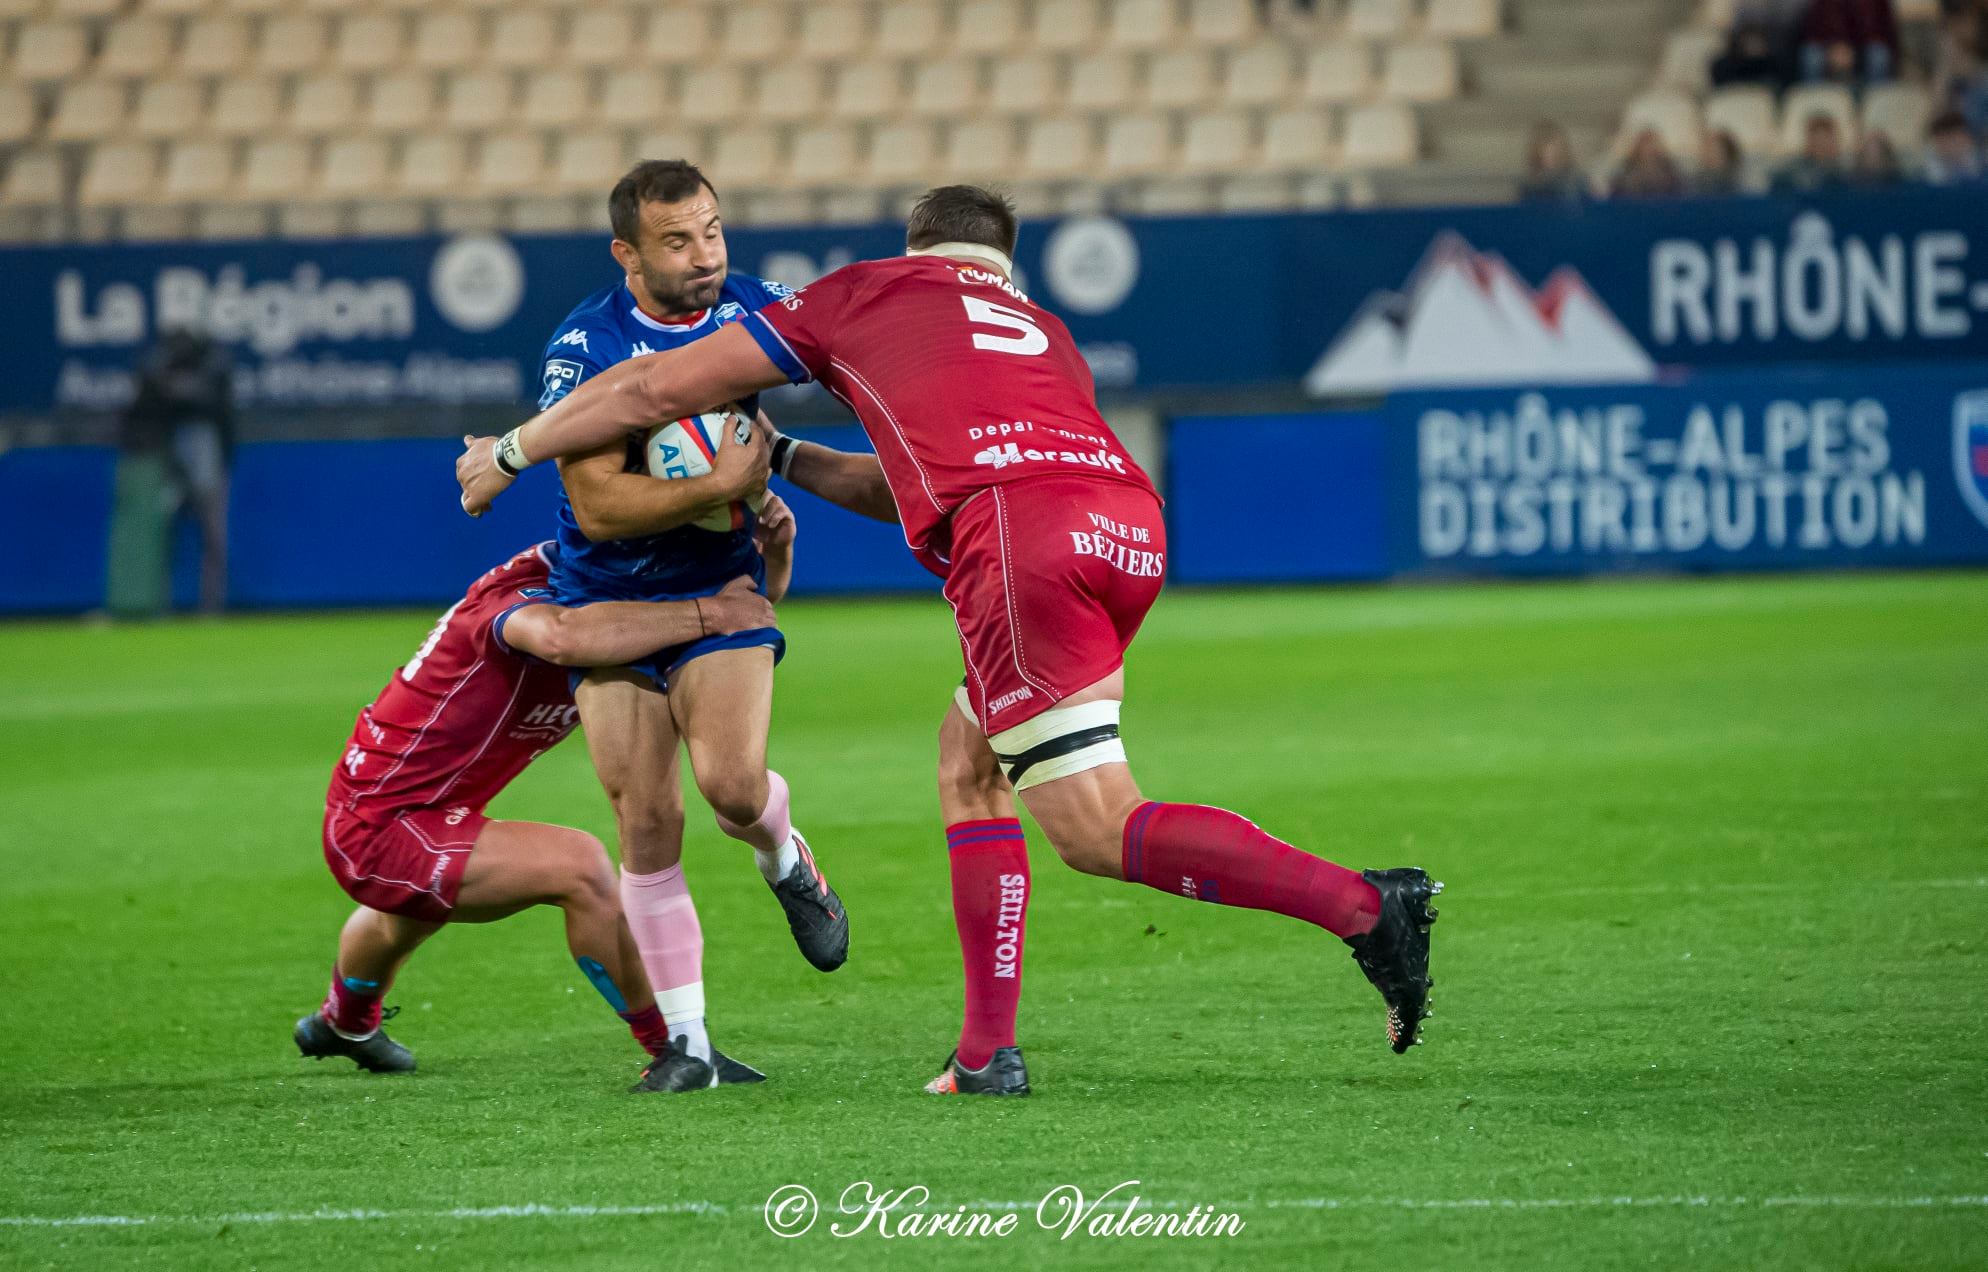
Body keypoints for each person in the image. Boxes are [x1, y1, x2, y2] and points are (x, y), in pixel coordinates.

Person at [455, 186, 1442, 1098]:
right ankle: (984, 1054)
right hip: (1127, 526)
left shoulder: (866, 294)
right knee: (969, 760)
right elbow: (904, 488)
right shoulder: (1039, 330)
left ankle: (1361, 907)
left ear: (913, 253)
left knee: (1095, 827)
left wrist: (507, 452)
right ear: (998, 270)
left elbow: (645, 394)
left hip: (1021, 544)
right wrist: (787, 458)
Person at [529, 158, 847, 1079]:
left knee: (734, 791)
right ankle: (691, 1047)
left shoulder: (759, 305)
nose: (705, 254)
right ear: (627, 252)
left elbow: (857, 353)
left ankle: (787, 861)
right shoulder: (585, 348)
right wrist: (723, 483)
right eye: (677, 240)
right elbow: (595, 506)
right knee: (646, 823)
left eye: (711, 230)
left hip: (721, 588)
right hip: (610, 596)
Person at [297, 541, 788, 1093]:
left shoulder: (621, 591)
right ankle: (673, 1050)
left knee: (405, 914)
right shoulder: (534, 593)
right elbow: (560, 635)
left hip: (424, 810)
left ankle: (345, 1022)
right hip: (382, 823)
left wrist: (773, 551)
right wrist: (708, 612)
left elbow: (740, 621)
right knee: (579, 868)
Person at [105, 326, 234, 617]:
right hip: (171, 458)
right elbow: (152, 398)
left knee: (213, 534)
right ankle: (155, 603)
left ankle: (211, 607)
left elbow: (209, 400)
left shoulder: (213, 372)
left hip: (204, 458)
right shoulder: (158, 375)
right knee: (161, 533)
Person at [1773, 113, 1852, 191]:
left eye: (1826, 140)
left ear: (1836, 142)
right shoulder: (1792, 171)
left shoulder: (1848, 171)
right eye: (1817, 141)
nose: (1821, 146)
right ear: (1808, 142)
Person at [1518, 122, 1588, 202]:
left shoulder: (1574, 182)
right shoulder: (1529, 186)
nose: (1548, 155)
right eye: (1543, 149)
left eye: (1553, 150)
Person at [1609, 129, 1686, 198]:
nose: (1648, 149)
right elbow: (1616, 196)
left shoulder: (1669, 172)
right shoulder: (1626, 171)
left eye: (1651, 144)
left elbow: (1679, 193)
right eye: (1645, 144)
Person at [1923, 109, 1986, 183]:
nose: (1952, 147)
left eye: (1956, 141)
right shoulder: (1923, 179)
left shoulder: (1983, 169)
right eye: (1944, 142)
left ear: (1969, 140)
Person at [1692, 128, 1748, 195]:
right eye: (1706, 149)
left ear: (1726, 153)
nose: (1706, 154)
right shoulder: (1697, 182)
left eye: (1713, 150)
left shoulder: (1734, 182)